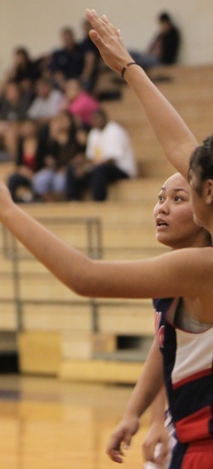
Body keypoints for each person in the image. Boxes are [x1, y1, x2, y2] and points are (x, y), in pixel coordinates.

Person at [0, 8, 213, 468]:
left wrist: (7, 209)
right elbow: (180, 147)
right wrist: (128, 68)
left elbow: (84, 277)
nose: (171, 198)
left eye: (184, 191)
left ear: (207, 192)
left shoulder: (201, 265)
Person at [105, 172, 210, 469]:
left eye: (178, 199)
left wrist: (6, 211)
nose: (162, 207)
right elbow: (166, 348)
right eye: (160, 197)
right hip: (186, 419)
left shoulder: (202, 271)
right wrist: (139, 415)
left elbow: (83, 277)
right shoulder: (172, 275)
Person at [65, 108, 137, 201]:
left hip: (121, 169)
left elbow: (111, 160)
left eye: (98, 118)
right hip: (99, 168)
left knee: (99, 170)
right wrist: (82, 166)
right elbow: (90, 158)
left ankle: (99, 201)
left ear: (105, 118)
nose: (95, 121)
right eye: (93, 119)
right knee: (73, 169)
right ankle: (74, 200)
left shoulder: (114, 130)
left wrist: (90, 167)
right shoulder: (93, 133)